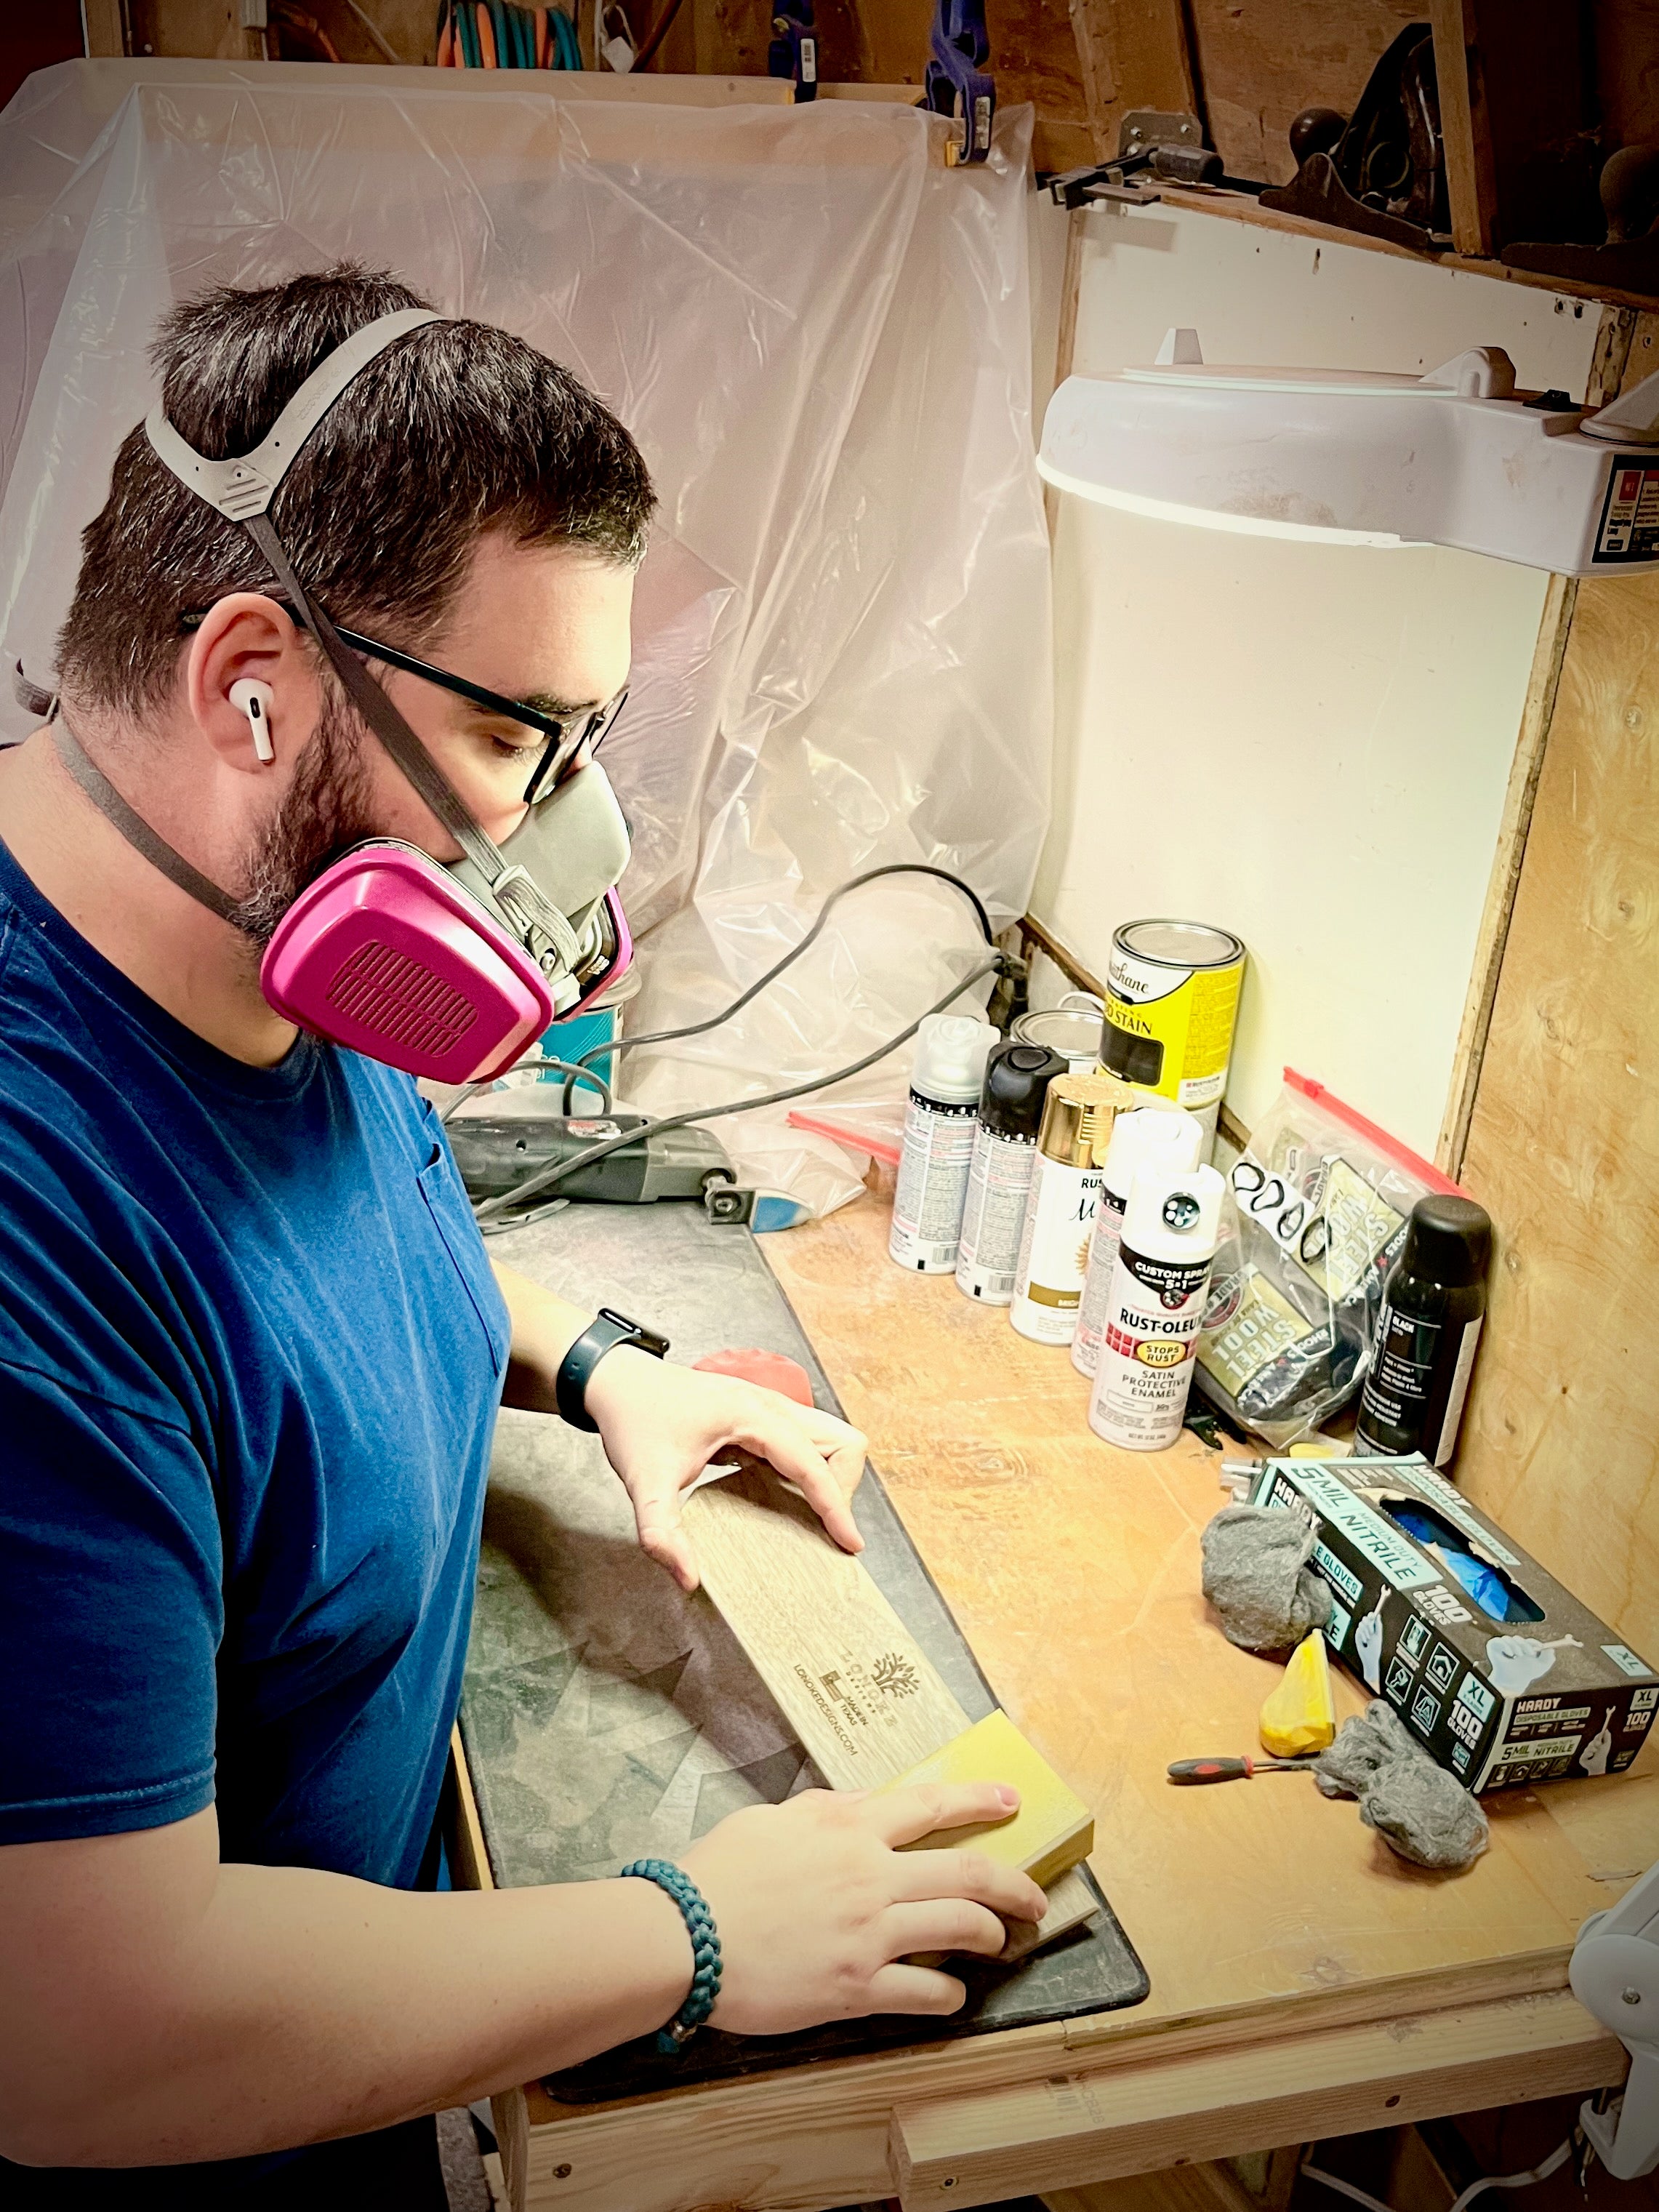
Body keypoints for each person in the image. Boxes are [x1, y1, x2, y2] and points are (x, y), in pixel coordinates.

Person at [0, 267, 1043, 2205]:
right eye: (524, 744)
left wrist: (596, 1370)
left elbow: (366, 1227)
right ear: (253, 680)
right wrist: (697, 1935)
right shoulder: (33, 1230)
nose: (570, 845)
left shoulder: (261, 935)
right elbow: (85, 2037)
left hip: (383, 2015)